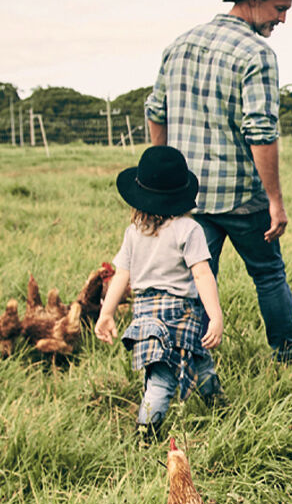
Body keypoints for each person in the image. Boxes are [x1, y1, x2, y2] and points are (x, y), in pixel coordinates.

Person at [144, 0, 292, 376]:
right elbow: (261, 131)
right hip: (241, 196)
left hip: (188, 197)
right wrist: (275, 201)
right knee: (268, 274)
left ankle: (183, 364)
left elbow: (156, 111)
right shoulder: (257, 53)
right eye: (280, 9)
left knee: (189, 281)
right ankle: (289, 363)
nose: (282, 19)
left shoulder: (180, 44)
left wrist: (163, 179)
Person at [95, 145, 223, 435]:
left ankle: (216, 407)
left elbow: (121, 276)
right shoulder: (189, 229)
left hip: (144, 312)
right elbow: (202, 274)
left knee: (181, 365)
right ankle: (147, 432)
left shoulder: (134, 233)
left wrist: (107, 313)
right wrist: (215, 315)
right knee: (173, 374)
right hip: (181, 311)